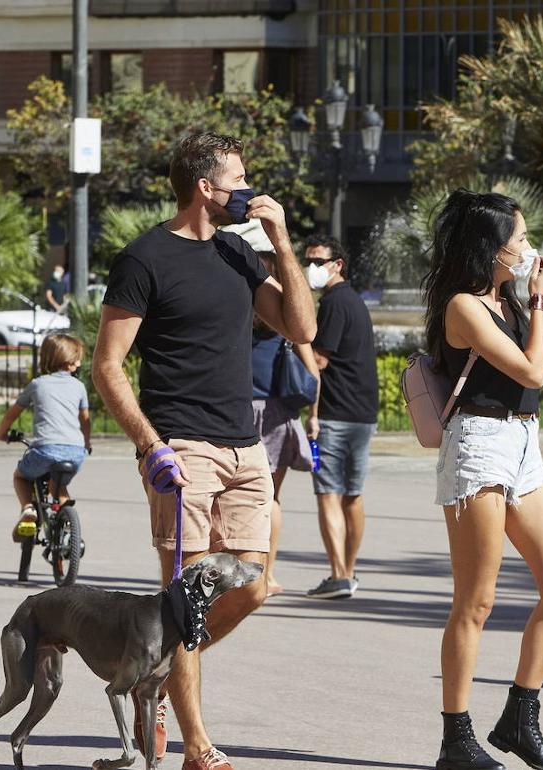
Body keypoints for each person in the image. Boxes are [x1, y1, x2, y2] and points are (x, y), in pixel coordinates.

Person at [92, 132, 315, 770]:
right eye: (239, 181)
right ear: (205, 188)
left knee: (253, 586)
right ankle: (197, 747)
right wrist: (150, 445)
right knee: (185, 598)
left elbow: (302, 328)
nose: (250, 192)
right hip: (181, 447)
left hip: (246, 448)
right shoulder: (144, 259)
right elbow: (108, 366)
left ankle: (153, 673)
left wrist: (282, 247)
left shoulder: (241, 257)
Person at [423, 190, 543, 770]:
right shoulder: (464, 307)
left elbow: (531, 383)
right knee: (476, 600)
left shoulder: (510, 304)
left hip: (523, 445)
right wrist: (541, 303)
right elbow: (532, 369)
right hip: (478, 448)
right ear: (491, 248)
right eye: (518, 238)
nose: (526, 246)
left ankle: (520, 715)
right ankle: (455, 738)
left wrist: (529, 304)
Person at [244, 227, 320, 599]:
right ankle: (267, 575)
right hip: (276, 413)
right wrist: (314, 416)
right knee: (270, 497)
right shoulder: (284, 316)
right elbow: (313, 373)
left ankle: (233, 575)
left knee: (231, 496)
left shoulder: (239, 308)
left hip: (238, 409)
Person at [304, 233, 380, 600]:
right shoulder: (356, 302)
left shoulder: (334, 302)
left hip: (334, 413)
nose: (311, 268)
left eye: (318, 262)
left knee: (329, 493)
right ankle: (348, 572)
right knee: (352, 494)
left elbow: (319, 361)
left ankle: (339, 575)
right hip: (363, 412)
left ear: (338, 266)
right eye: (308, 261)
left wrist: (312, 414)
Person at [0, 333, 91, 540]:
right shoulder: (79, 387)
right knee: (58, 485)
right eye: (77, 359)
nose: (80, 363)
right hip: (75, 452)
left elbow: (12, 414)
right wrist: (87, 443)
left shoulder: (37, 384)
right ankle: (71, 535)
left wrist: (0, 434)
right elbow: (85, 420)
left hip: (45, 450)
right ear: (70, 362)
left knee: (20, 476)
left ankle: (28, 509)